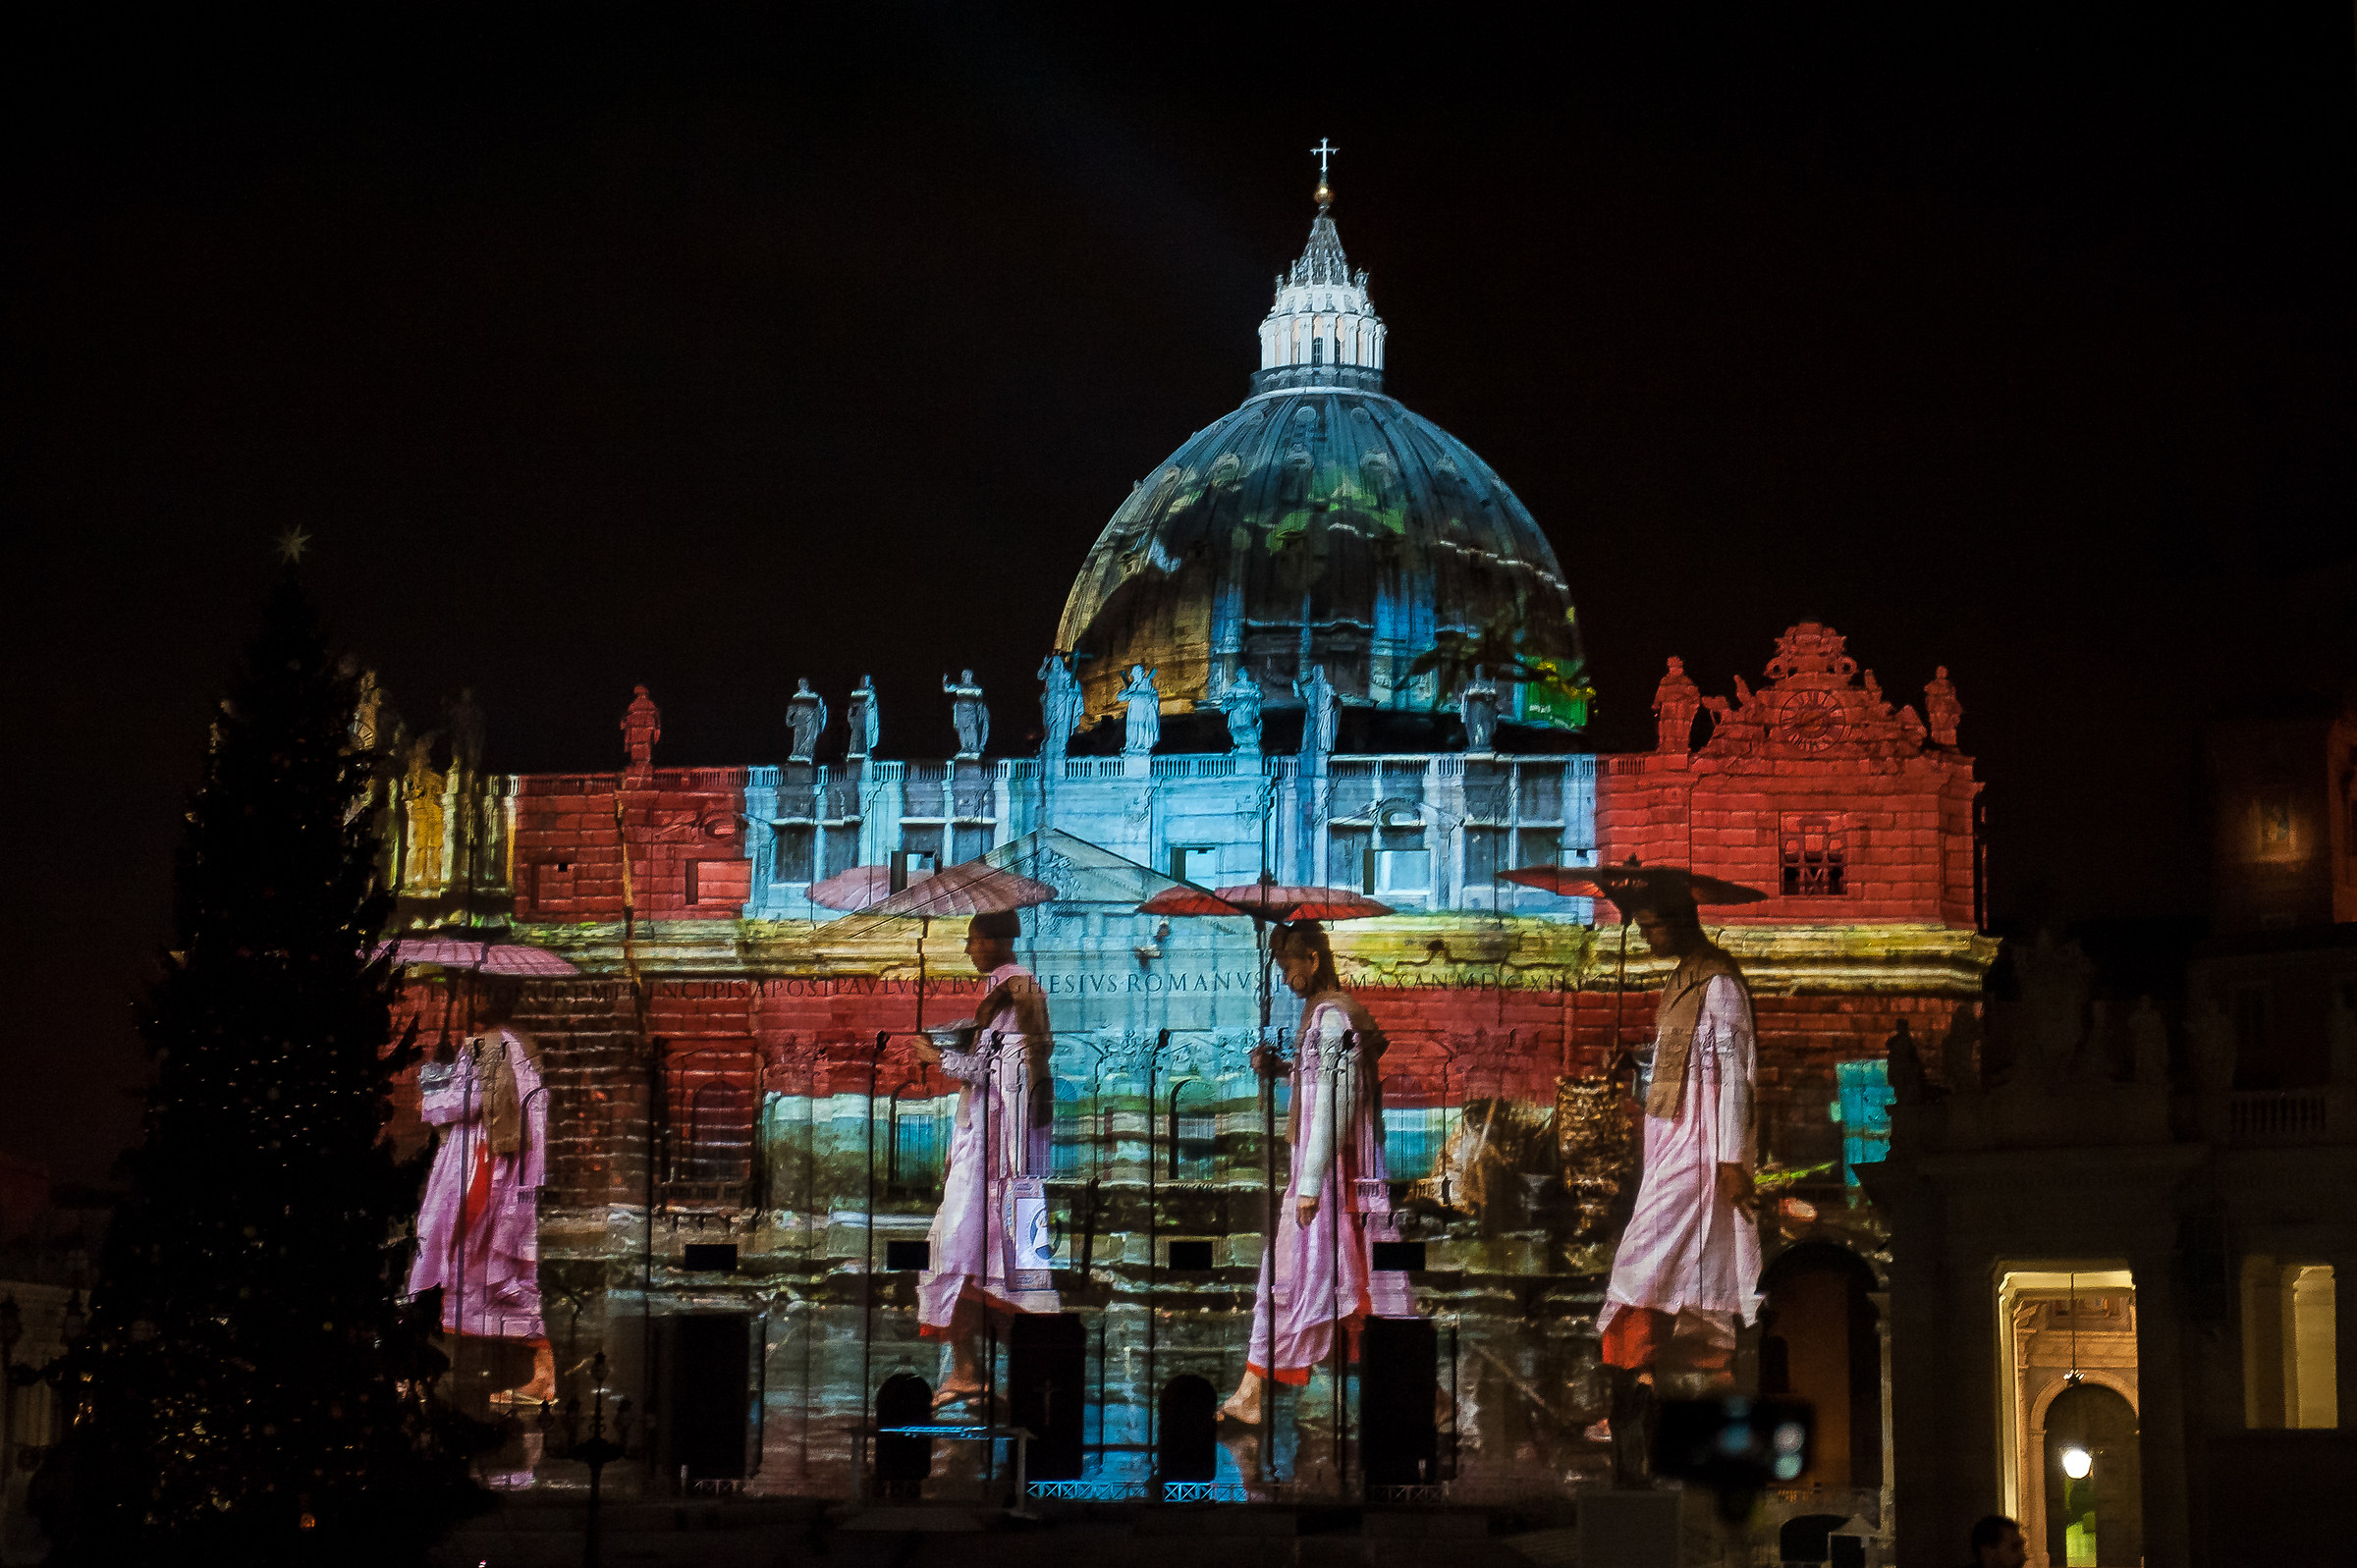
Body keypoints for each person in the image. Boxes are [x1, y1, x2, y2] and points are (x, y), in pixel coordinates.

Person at [1220, 921, 1409, 1424]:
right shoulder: (1324, 1019)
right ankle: (1252, 1392)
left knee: (1296, 1280)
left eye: (1290, 966)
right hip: (1325, 1178)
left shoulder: (1332, 1020)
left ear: (1314, 960)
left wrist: (1308, 1187)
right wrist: (1281, 1068)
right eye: (1281, 968)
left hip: (1328, 1183)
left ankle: (1252, 1393)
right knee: (1340, 1288)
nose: (1286, 978)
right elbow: (1321, 1082)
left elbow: (1333, 1103)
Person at [1596, 886, 1761, 1387]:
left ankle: (1637, 1375)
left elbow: (1735, 1075)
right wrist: (1637, 1063)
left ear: (1679, 921)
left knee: (1647, 1254)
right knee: (1675, 1256)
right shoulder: (1685, 979)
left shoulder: (1718, 984)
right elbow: (1684, 1060)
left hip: (1702, 1144)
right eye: (1640, 929)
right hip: (1673, 1136)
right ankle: (1649, 1385)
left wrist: (1731, 1158)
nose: (1645, 938)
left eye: (1651, 928)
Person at [911, 909, 1058, 1406]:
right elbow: (993, 1067)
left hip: (1001, 1161)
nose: (969, 950)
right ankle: (972, 1373)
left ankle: (998, 1377)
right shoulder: (1004, 998)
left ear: (996, 942)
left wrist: (940, 1060)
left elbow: (1008, 1078)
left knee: (972, 1258)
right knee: (974, 1262)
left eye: (974, 939)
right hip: (993, 1156)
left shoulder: (1016, 995)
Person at [408, 976, 554, 1403]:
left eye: (472, 992)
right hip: (504, 1172)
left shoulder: (488, 1046)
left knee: (452, 1258)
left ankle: (435, 1372)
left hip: (481, 1168)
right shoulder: (519, 1044)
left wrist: (431, 1079)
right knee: (493, 1276)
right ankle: (538, 1374)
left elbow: (455, 1104)